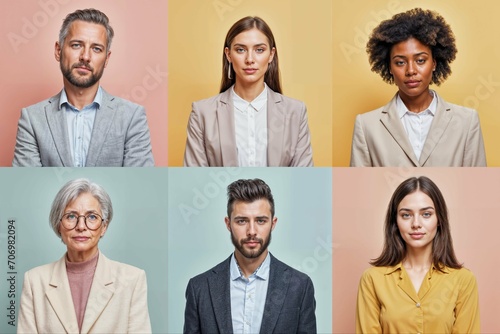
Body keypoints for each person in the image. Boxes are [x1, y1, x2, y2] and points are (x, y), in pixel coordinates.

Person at [13, 8, 154, 167]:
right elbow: (30, 183)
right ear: (58, 51)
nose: (85, 57)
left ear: (106, 59)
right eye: (76, 45)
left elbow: (137, 181)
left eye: (96, 49)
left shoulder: (132, 117)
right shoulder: (32, 119)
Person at [350, 8, 486, 167]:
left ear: (434, 63)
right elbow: (359, 186)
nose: (411, 71)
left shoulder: (467, 122)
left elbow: (478, 185)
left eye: (420, 60)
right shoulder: (367, 126)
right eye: (400, 62)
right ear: (389, 68)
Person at [17, 179, 152, 333]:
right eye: (71, 216)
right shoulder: (34, 281)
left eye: (92, 217)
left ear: (104, 227)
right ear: (58, 224)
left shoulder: (133, 279)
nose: (81, 227)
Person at [183, 178, 316, 333]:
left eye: (260, 221)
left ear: (273, 224)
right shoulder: (199, 288)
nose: (251, 231)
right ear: (228, 224)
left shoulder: (300, 286)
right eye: (241, 221)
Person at [183, 16, 313, 167]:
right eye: (240, 49)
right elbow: (194, 179)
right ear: (228, 54)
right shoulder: (202, 113)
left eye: (259, 50)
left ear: (271, 54)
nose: (249, 59)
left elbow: (304, 178)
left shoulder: (295, 112)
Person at [356, 176, 480, 333]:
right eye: (406, 215)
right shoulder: (372, 279)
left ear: (439, 219)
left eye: (426, 214)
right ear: (395, 221)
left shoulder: (463, 280)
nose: (416, 224)